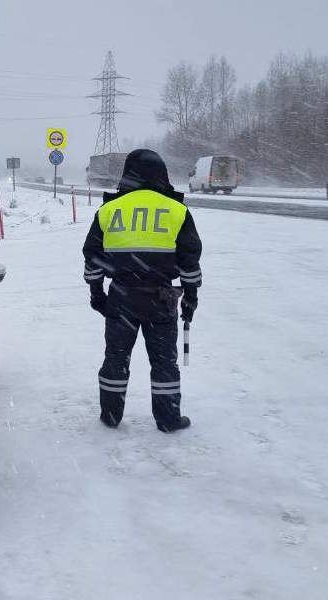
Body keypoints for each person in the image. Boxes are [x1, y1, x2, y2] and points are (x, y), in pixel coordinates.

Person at [82, 149, 202, 433]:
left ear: (127, 174)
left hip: (122, 297)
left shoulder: (109, 211)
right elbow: (189, 260)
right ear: (162, 174)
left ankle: (110, 415)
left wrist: (97, 293)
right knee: (164, 362)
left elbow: (93, 256)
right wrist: (191, 296)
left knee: (116, 358)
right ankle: (168, 419)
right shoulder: (176, 211)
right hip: (161, 298)